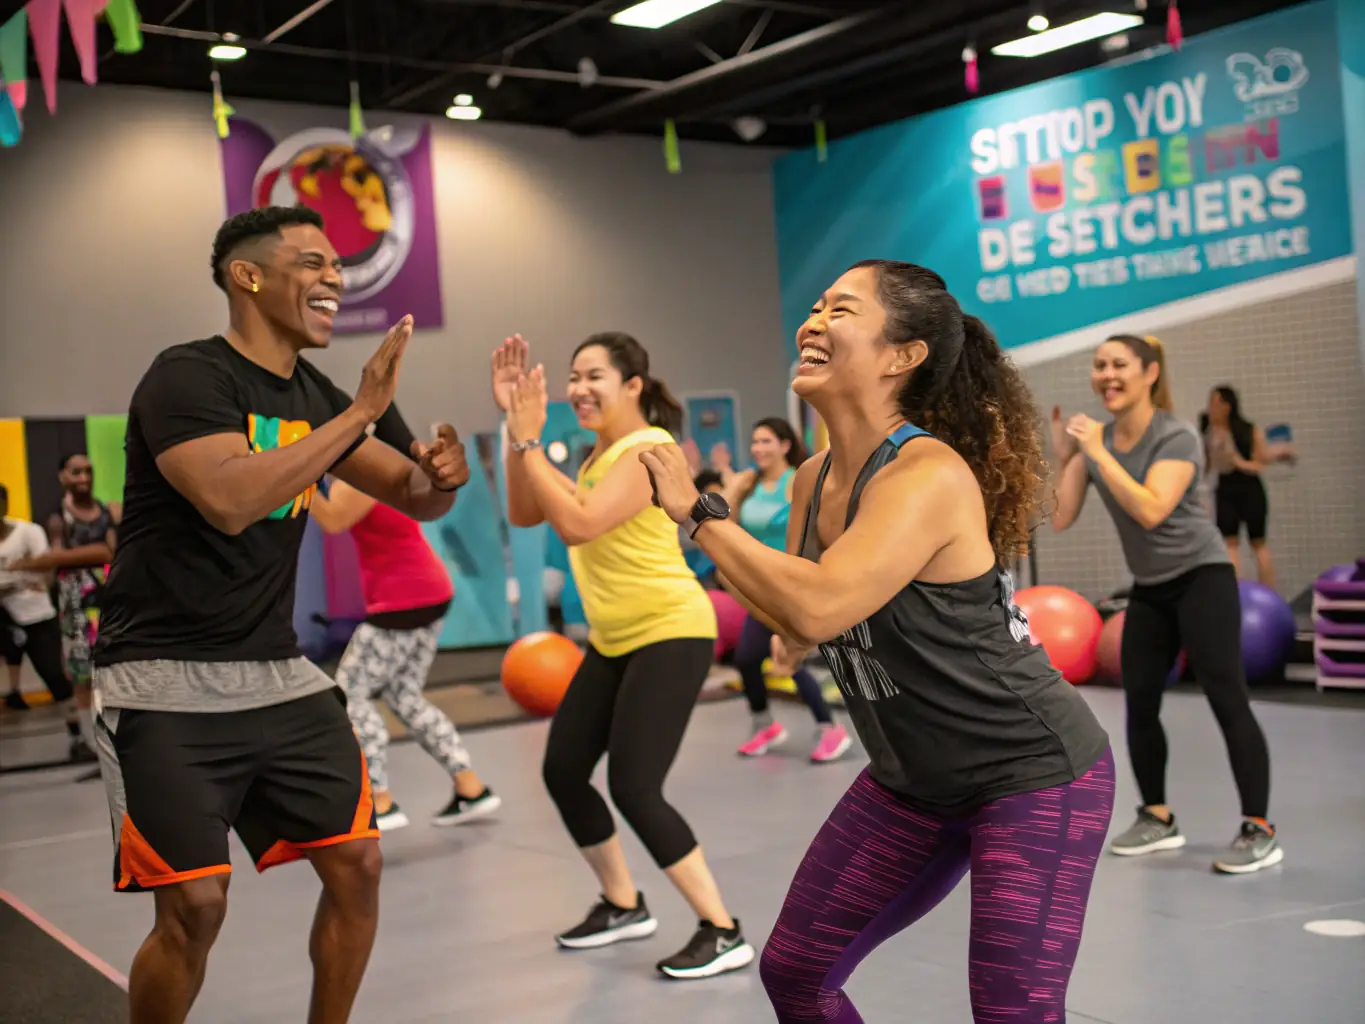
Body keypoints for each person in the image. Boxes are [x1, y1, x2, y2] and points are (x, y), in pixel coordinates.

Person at [637, 260, 1115, 1022]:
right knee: (796, 971)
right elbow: (795, 614)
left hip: (1031, 773)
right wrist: (769, 622)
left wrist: (698, 517)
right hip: (912, 782)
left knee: (1011, 1010)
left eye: (841, 310)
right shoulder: (811, 477)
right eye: (815, 305)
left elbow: (820, 605)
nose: (813, 321)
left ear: (902, 355)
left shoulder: (924, 474)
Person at [89, 205, 470, 1024]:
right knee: (196, 907)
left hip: (277, 671)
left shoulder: (321, 394)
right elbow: (229, 499)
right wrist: (358, 414)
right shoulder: (187, 376)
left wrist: (443, 474)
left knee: (357, 865)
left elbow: (411, 494)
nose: (334, 277)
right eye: (312, 263)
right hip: (160, 679)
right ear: (248, 276)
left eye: (337, 265)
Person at [494, 331, 753, 980]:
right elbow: (526, 512)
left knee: (635, 786)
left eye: (594, 376)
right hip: (614, 640)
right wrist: (512, 427)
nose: (578, 389)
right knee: (562, 769)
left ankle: (721, 929)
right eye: (572, 377)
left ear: (633, 385)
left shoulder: (650, 450)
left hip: (669, 631)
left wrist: (528, 441)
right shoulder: (598, 455)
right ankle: (621, 903)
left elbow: (578, 525)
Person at [1051, 334, 1280, 874]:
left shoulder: (1176, 436)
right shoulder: (1094, 445)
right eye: (1099, 365)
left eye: (1119, 365)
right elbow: (1058, 518)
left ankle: (1260, 829)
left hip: (1203, 577)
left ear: (1150, 372)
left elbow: (1152, 509)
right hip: (1151, 587)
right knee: (1141, 703)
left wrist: (1097, 452)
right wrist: (1065, 460)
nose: (1107, 374)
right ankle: (1157, 817)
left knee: (1227, 699)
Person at [309, 477, 500, 832]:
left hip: (404, 599)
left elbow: (333, 518)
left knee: (349, 694)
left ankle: (380, 799)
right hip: (426, 592)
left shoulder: (360, 474)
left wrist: (298, 477)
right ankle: (470, 786)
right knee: (403, 695)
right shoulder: (364, 470)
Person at [713, 419, 848, 762]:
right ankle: (764, 724)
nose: (758, 448)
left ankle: (830, 729)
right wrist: (731, 483)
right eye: (755, 441)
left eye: (766, 441)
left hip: (789, 583)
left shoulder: (796, 481)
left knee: (788, 658)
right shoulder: (751, 483)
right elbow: (720, 517)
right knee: (746, 659)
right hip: (758, 587)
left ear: (785, 445)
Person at [7, 454, 117, 764]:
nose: (84, 477)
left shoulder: (107, 511)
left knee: (112, 670)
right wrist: (49, 562)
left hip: (108, 601)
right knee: (81, 675)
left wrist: (44, 560)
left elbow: (110, 549)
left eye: (88, 471)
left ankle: (115, 737)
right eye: (76, 472)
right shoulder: (57, 519)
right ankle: (90, 742)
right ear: (63, 477)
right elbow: (55, 558)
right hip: (75, 605)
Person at [0, 484, 78, 728]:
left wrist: (20, 573)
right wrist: (21, 577)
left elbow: (47, 572)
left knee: (53, 674)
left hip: (36, 615)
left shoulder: (28, 532)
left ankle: (77, 732)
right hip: (4, 617)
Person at [1199, 385, 1288, 589]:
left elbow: (1258, 464)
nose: (1210, 408)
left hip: (1249, 488)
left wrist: (1236, 460)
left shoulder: (1248, 429)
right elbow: (1207, 466)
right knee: (1230, 543)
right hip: (1225, 489)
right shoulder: (1209, 432)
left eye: (1215, 403)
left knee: (1258, 543)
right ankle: (1236, 595)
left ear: (1227, 406)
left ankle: (1269, 594)